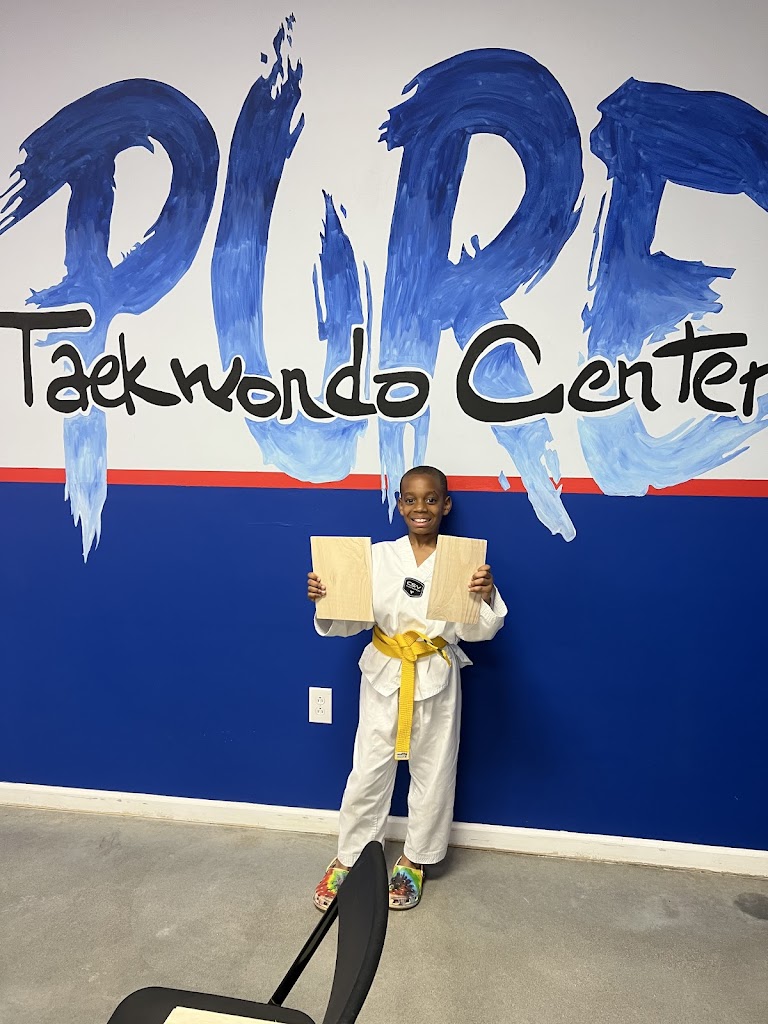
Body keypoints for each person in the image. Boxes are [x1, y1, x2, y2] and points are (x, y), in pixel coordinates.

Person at [307, 466, 506, 911]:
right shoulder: (376, 558)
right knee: (368, 769)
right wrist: (326, 596)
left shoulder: (462, 560)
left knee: (434, 770)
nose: (421, 508)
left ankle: (415, 859)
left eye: (431, 499)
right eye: (411, 499)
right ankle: (350, 857)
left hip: (435, 671)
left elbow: (477, 631)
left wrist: (486, 593)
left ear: (446, 505)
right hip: (384, 671)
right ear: (399, 505)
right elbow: (348, 620)